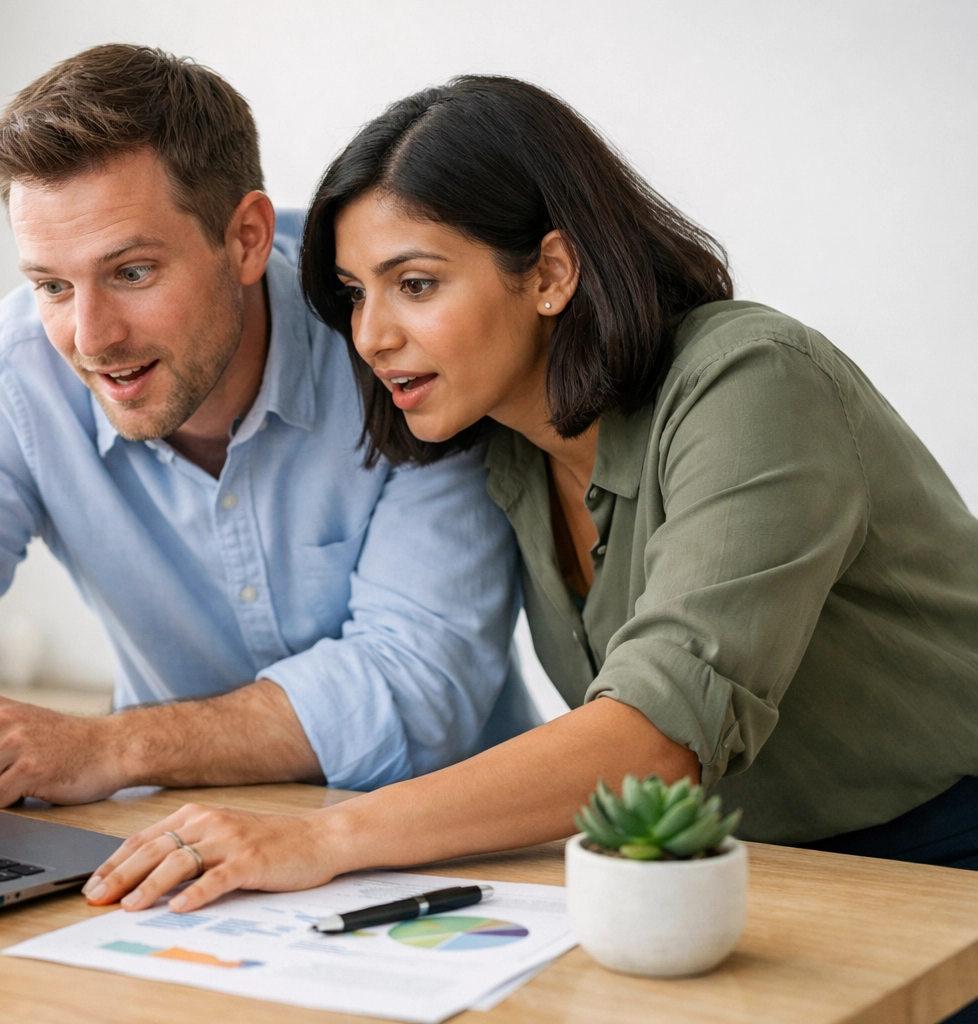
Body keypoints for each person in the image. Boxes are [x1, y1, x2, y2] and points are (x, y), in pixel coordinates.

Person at [84, 75, 978, 948]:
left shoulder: (752, 383)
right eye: (356, 294)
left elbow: (656, 735)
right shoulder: (503, 445)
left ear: (550, 271)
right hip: (731, 876)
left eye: (416, 284)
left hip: (943, 860)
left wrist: (322, 839)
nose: (372, 336)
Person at [0, 47, 536, 809]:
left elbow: (418, 682)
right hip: (171, 837)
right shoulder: (12, 367)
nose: (91, 338)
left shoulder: (400, 348)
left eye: (132, 273)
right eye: (52, 285)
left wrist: (116, 746)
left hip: (459, 844)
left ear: (246, 238)